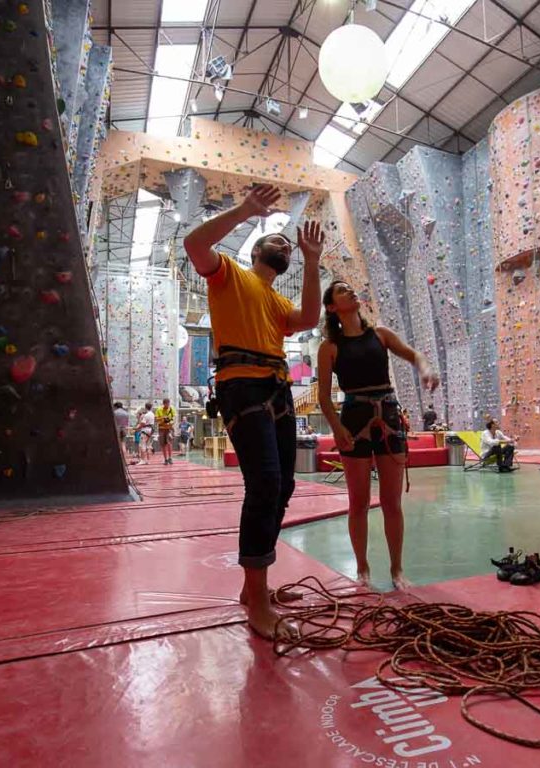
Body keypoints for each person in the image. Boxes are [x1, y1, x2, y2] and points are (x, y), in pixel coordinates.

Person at [184, 183, 325, 640]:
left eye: (287, 244)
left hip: (277, 387)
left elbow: (307, 320)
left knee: (283, 485)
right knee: (264, 483)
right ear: (257, 252)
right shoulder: (228, 274)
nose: (283, 243)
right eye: (276, 241)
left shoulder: (276, 300)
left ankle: (255, 586)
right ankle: (257, 600)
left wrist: (312, 259)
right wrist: (245, 210)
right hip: (242, 386)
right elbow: (194, 244)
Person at [317, 280, 439, 590]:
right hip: (354, 418)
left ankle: (397, 570)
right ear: (332, 307)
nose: (351, 290)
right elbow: (323, 398)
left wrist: (426, 369)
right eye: (342, 290)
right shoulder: (329, 347)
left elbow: (414, 355)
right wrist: (337, 428)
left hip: (387, 414)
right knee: (358, 502)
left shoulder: (381, 335)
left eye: (350, 287)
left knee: (391, 502)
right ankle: (362, 569)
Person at [155, 397, 176, 465]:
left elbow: (174, 418)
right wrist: (162, 418)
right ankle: (165, 459)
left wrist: (171, 422)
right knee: (163, 444)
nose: (167, 406)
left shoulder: (172, 409)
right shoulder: (159, 409)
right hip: (161, 428)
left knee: (169, 443)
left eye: (168, 404)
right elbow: (156, 419)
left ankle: (170, 458)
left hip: (169, 428)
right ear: (163, 404)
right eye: (166, 404)